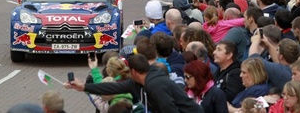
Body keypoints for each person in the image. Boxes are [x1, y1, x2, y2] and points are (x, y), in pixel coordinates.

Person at [65, 54, 204, 113]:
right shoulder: (137, 82)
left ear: (134, 71)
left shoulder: (155, 85)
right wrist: (84, 87)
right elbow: (113, 87)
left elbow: (171, 111)